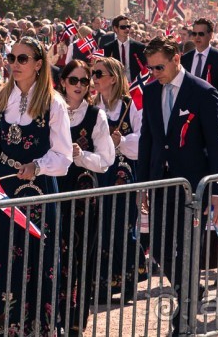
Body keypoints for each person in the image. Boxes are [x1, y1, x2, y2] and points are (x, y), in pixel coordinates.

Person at [0, 36, 71, 335]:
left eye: (23, 59)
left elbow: (64, 156)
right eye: (12, 58)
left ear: (38, 64)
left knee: (35, 260)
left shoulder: (53, 103)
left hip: (38, 192)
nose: (15, 64)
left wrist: (38, 166)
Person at [137, 37, 218, 335]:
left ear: (177, 58)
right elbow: (147, 139)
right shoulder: (150, 91)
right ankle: (189, 289)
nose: (155, 73)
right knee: (159, 247)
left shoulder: (203, 92)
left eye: (159, 67)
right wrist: (142, 185)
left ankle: (185, 312)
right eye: (151, 68)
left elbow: (216, 144)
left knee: (188, 247)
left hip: (193, 187)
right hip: (161, 183)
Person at [56, 60, 115, 335]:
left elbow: (106, 160)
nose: (79, 86)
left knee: (79, 259)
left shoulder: (96, 116)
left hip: (82, 197)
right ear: (62, 82)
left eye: (84, 80)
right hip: (51, 190)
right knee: (49, 256)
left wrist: (81, 157)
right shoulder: (48, 111)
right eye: (73, 80)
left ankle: (75, 324)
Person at [90, 57, 148, 304]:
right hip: (97, 173)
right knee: (100, 226)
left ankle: (126, 281)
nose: (94, 78)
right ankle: (100, 284)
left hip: (122, 173)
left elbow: (143, 137)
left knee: (122, 226)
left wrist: (121, 141)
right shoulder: (92, 107)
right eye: (93, 73)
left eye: (98, 74)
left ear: (113, 78)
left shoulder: (130, 104)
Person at [181, 18, 218, 128]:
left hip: (212, 117)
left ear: (210, 35)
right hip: (187, 117)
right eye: (194, 33)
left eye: (201, 34)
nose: (197, 37)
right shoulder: (186, 58)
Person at [104, 16, 146, 82]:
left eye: (128, 26)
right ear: (115, 28)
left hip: (134, 84)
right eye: (123, 27)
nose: (126, 29)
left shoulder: (139, 47)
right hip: (116, 84)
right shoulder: (109, 48)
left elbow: (145, 66)